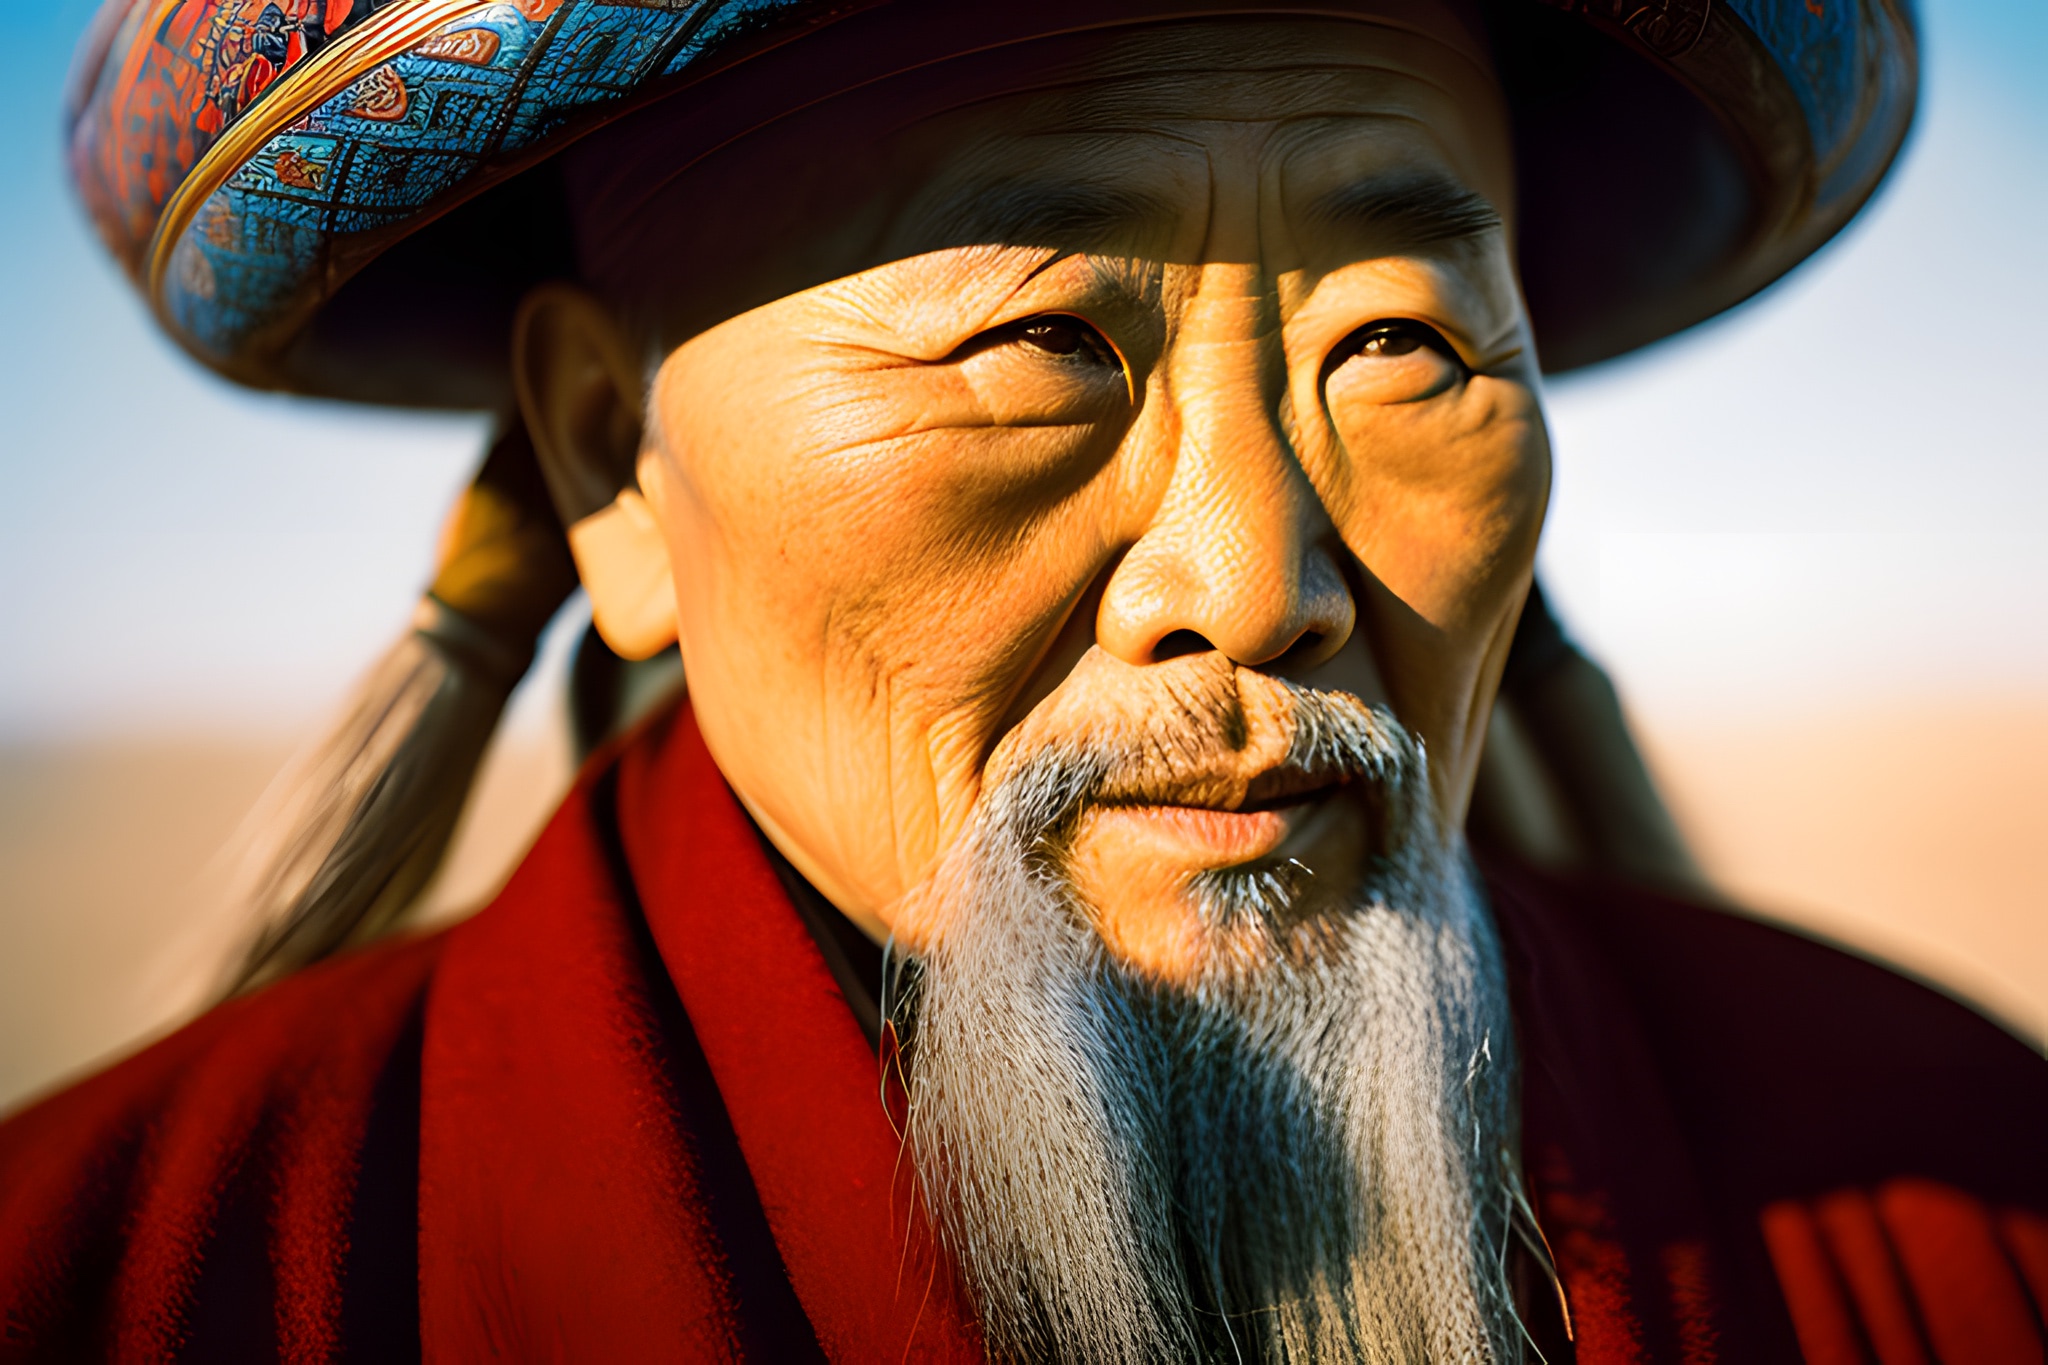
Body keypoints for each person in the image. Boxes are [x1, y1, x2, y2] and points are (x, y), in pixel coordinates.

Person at [7, 0, 2044, 1359]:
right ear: (608, 453)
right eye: (1044, 343)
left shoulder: (1959, 1201)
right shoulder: (131, 1278)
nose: (1252, 585)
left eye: (1405, 344)